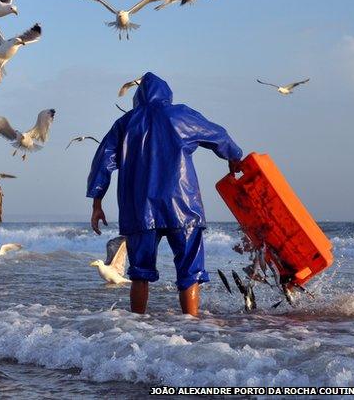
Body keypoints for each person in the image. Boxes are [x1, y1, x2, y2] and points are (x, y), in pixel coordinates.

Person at [86, 72, 242, 316]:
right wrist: (233, 157)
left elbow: (102, 161)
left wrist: (97, 202)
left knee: (139, 274)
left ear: (138, 97)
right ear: (166, 94)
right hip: (183, 206)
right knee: (190, 272)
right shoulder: (180, 115)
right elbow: (218, 136)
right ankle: (191, 327)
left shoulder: (124, 123)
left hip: (139, 211)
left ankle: (137, 328)